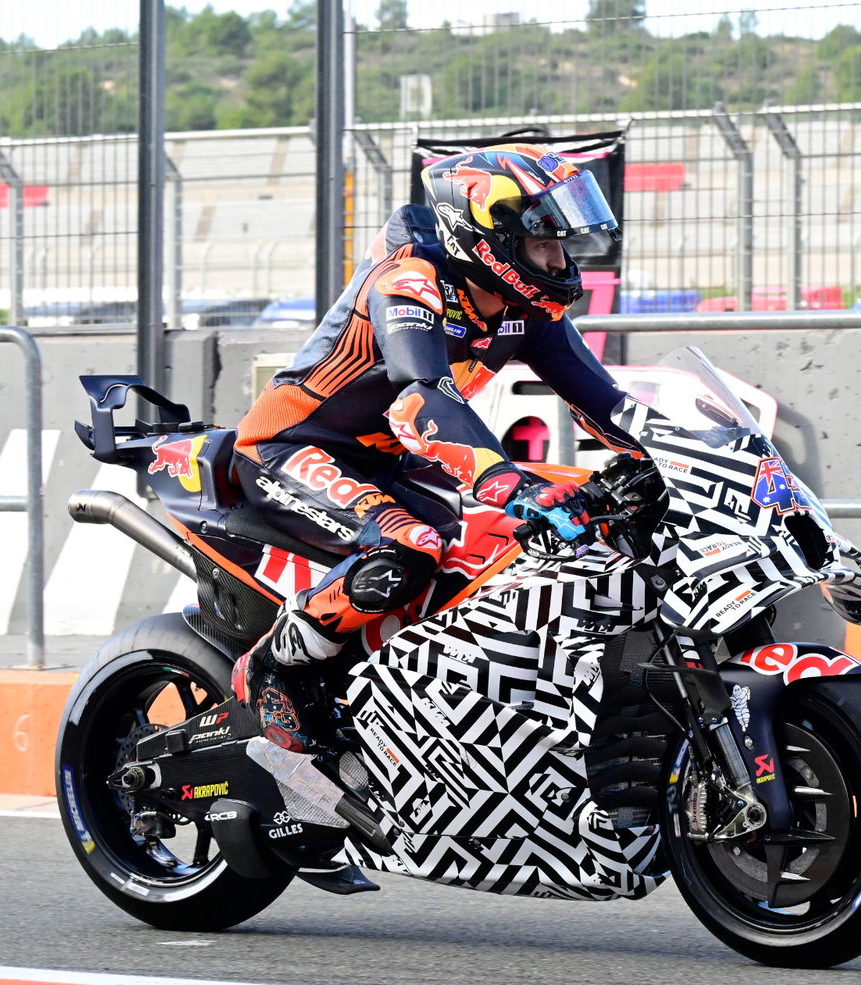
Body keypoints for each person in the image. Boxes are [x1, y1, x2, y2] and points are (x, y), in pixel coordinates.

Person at [230, 143, 640, 750]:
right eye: (543, 244)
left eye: (562, 244)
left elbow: (605, 403)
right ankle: (274, 666)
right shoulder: (409, 281)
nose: (561, 260)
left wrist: (673, 457)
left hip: (391, 459)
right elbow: (420, 396)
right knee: (410, 547)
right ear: (489, 240)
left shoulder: (528, 309)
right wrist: (505, 481)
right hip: (292, 445)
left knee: (490, 557)